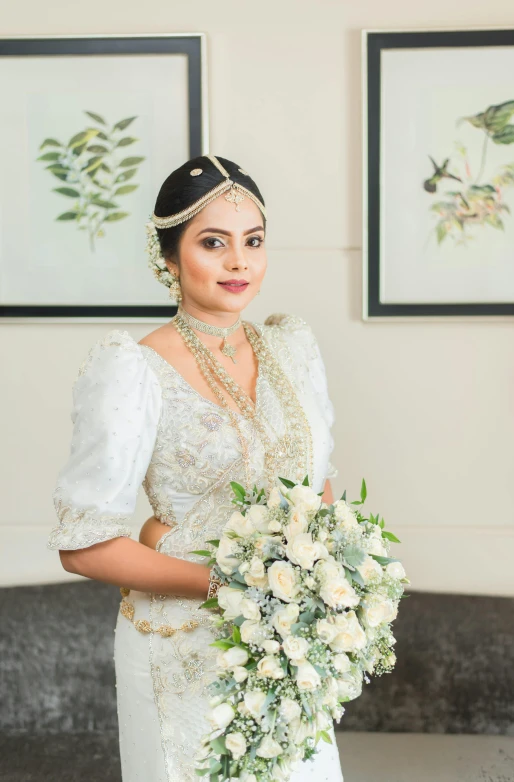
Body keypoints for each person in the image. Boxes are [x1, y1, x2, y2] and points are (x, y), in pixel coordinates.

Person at [48, 154, 344, 782]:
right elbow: (83, 544)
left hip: (288, 647)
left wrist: (324, 580)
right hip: (180, 648)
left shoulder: (291, 347)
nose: (240, 262)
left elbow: (317, 488)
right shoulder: (133, 368)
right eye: (214, 243)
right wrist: (231, 583)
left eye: (253, 241)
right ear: (170, 257)